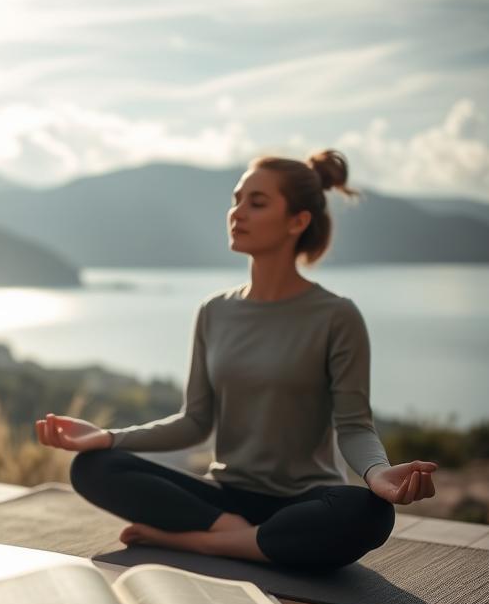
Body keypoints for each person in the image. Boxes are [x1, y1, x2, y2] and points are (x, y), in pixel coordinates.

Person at [35, 150, 437, 573]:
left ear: (297, 221)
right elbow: (194, 422)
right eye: (236, 199)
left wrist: (377, 472)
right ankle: (237, 535)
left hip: (305, 500)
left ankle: (199, 543)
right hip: (224, 498)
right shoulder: (215, 311)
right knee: (93, 467)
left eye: (256, 203)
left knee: (369, 513)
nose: (237, 212)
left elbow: (354, 425)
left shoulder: (336, 316)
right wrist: (108, 438)